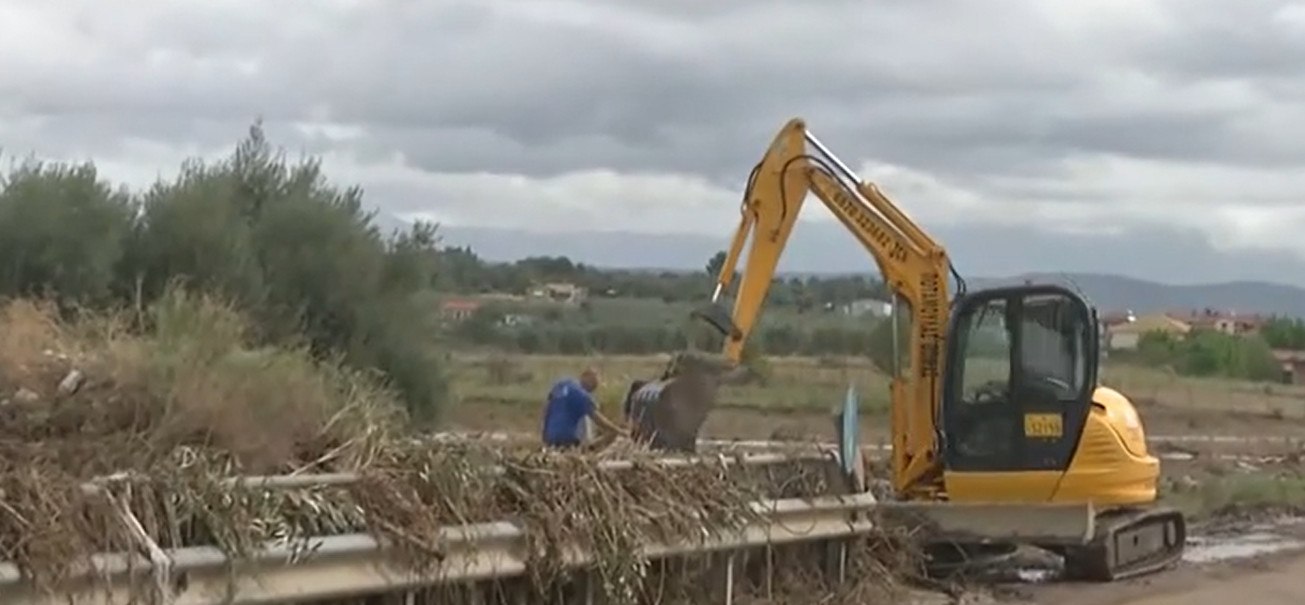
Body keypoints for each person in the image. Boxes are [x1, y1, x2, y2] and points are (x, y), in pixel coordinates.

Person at [540, 367, 625, 449]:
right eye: (593, 385)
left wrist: (544, 432)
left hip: (550, 437)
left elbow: (546, 408)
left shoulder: (561, 384)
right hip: (567, 439)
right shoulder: (582, 395)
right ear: (586, 377)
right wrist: (619, 431)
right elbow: (599, 420)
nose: (592, 390)